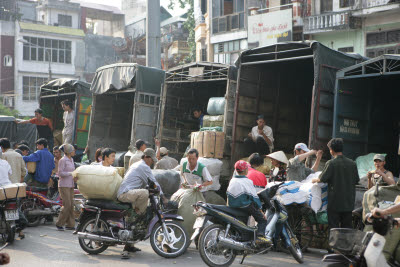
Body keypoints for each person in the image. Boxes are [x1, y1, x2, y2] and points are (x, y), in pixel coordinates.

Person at [117, 148, 162, 258]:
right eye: (152, 160)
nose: (152, 163)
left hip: (129, 193)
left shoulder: (137, 164)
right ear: (146, 157)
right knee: (139, 214)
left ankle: (129, 245)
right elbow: (155, 183)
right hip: (125, 194)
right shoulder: (143, 166)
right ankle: (138, 216)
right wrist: (163, 196)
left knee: (135, 216)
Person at [312, 138, 360, 229]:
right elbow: (356, 180)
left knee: (334, 229)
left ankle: (335, 244)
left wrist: (314, 180)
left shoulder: (331, 163)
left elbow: (322, 179)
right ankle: (345, 243)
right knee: (346, 229)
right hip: (348, 203)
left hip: (335, 203)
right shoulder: (352, 164)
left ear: (331, 150)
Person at [227, 160, 270, 244]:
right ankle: (260, 237)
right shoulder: (247, 181)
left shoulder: (232, 180)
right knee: (262, 220)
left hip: (233, 206)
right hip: (245, 206)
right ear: (246, 170)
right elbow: (254, 198)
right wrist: (261, 210)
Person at [55, 144, 76, 231]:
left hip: (71, 184)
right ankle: (59, 223)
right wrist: (70, 173)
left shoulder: (71, 159)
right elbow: (60, 173)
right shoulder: (63, 160)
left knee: (71, 205)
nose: (74, 152)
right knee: (67, 204)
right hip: (64, 185)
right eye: (73, 150)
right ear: (69, 151)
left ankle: (70, 224)